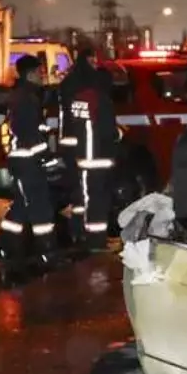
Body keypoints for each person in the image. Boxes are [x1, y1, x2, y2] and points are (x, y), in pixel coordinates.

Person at [0, 56, 65, 272]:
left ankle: (3, 250)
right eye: (41, 72)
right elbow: (31, 137)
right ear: (31, 74)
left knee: (21, 208)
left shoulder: (24, 96)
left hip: (24, 162)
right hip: (28, 164)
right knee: (40, 209)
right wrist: (48, 160)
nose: (44, 76)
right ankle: (47, 255)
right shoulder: (27, 100)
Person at [65, 65, 120, 251]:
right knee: (97, 200)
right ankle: (96, 242)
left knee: (85, 198)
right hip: (99, 158)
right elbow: (108, 131)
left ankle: (82, 233)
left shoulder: (79, 99)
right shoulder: (102, 100)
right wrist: (118, 135)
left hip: (83, 158)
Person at [57, 49, 99, 244]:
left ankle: (76, 228)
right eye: (93, 60)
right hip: (81, 143)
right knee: (84, 190)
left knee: (77, 190)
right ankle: (82, 231)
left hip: (70, 142)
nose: (95, 63)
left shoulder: (68, 82)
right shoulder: (85, 84)